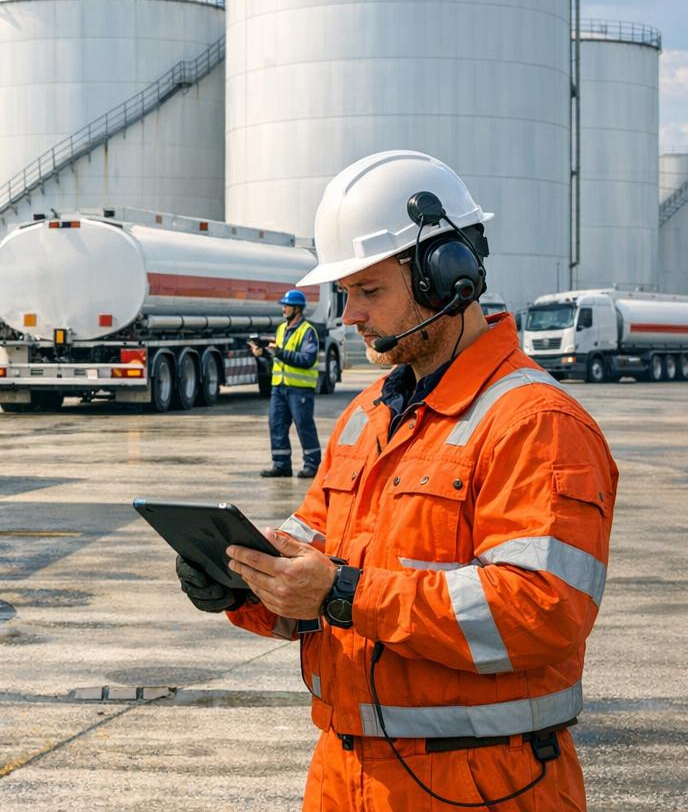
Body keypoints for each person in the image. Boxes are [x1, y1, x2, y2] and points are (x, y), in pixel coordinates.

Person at [176, 150, 616, 810]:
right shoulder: (366, 416)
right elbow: (310, 566)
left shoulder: (537, 422)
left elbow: (542, 611)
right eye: (345, 293)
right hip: (344, 777)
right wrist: (243, 584)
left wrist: (347, 593)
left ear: (449, 277)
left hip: (484, 786)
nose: (349, 315)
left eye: (369, 291)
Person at [249, 289, 322, 478]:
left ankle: (313, 466)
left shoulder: (308, 331)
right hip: (279, 388)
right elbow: (278, 358)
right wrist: (263, 353)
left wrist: (279, 352)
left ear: (297, 309)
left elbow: (307, 358)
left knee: (304, 425)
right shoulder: (281, 329)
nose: (283, 309)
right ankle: (281, 465)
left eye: (286, 305)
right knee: (276, 425)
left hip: (300, 389)